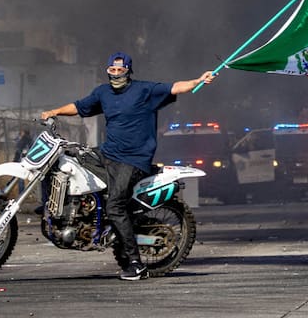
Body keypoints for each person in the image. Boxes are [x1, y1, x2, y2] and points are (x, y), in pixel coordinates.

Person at [40, 52, 215, 281]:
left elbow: (175, 88)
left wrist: (198, 81)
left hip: (133, 159)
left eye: (119, 70)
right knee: (70, 162)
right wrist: (54, 112)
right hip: (106, 153)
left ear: (128, 71)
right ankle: (86, 217)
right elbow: (80, 106)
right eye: (111, 70)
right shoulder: (103, 92)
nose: (115, 74)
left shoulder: (145, 91)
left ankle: (136, 265)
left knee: (116, 206)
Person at [12, 128, 32, 196]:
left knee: (19, 178)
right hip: (27, 161)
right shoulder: (30, 140)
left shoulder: (24, 140)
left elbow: (19, 151)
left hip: (22, 161)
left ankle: (21, 193)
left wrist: (15, 160)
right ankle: (23, 193)